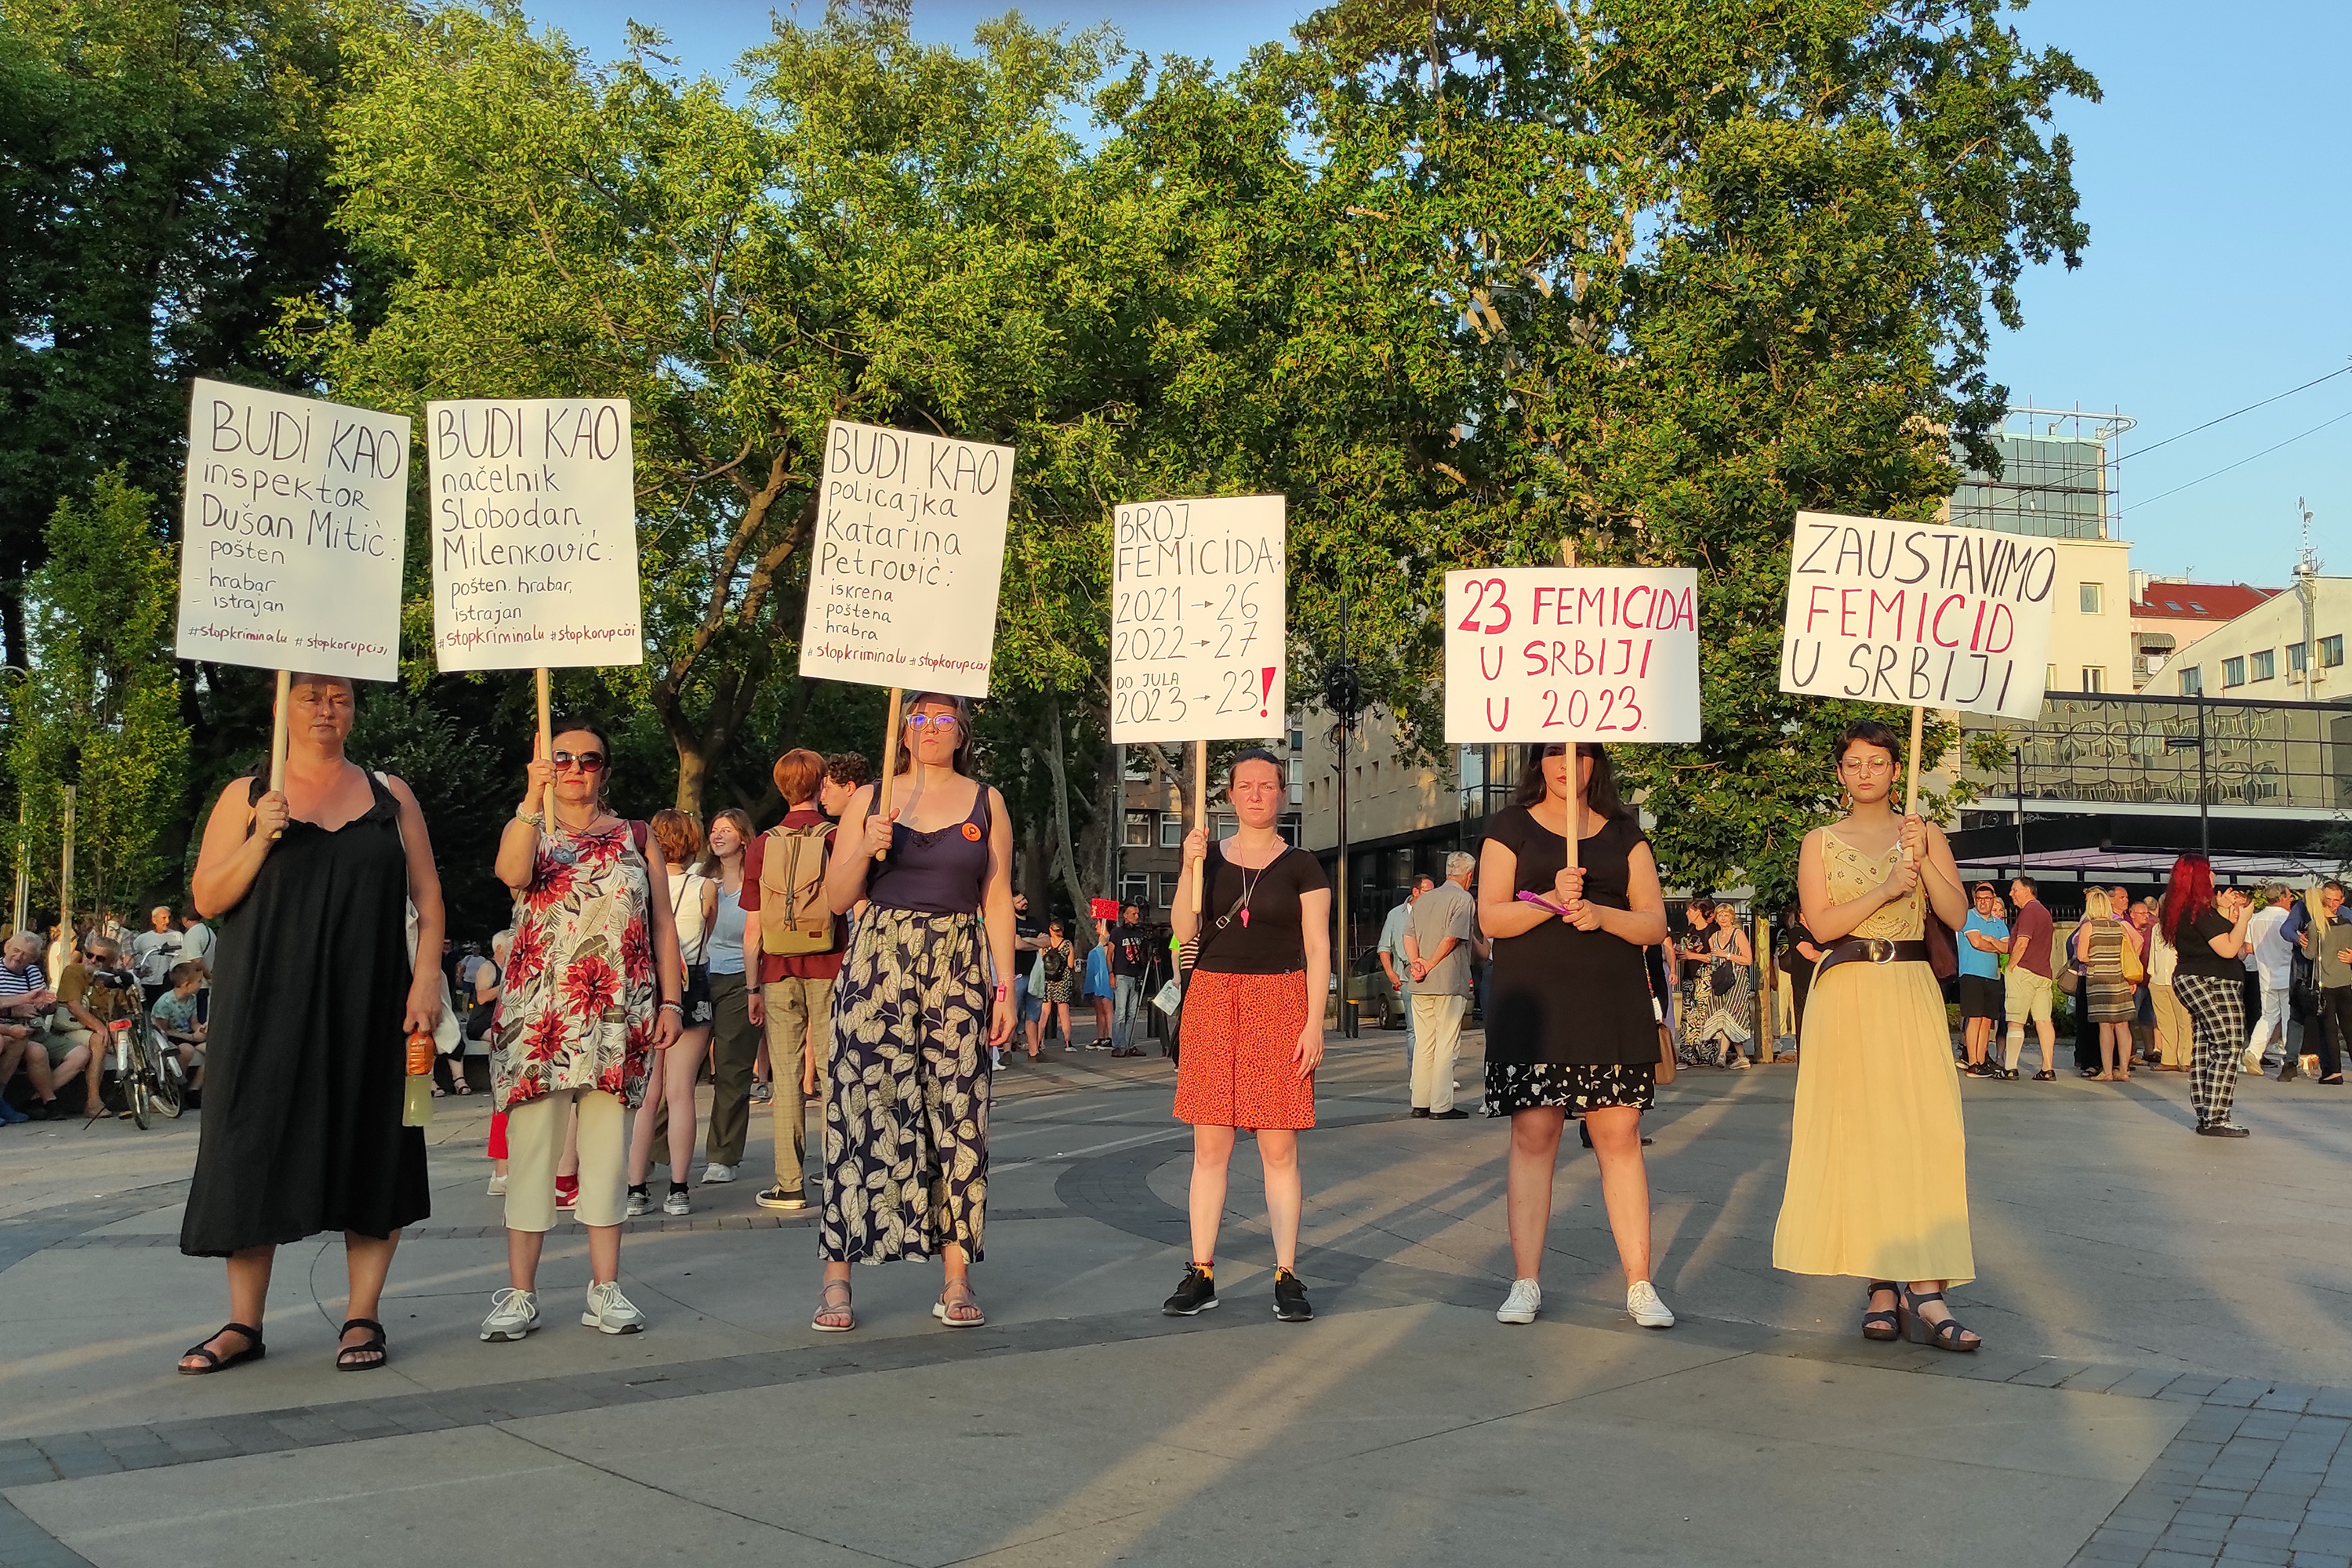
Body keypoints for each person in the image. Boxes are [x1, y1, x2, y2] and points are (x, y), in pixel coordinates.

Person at [176, 673, 445, 1374]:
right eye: (310, 696)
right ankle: (244, 1324)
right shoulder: (246, 795)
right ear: (281, 707)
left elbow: (429, 894)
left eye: (340, 698)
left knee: (374, 1140)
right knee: (249, 1143)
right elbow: (208, 897)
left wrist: (424, 982)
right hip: (264, 1000)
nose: (327, 709)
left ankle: (362, 1317)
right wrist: (261, 837)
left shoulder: (391, 794)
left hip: (370, 997)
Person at [1773, 720, 1980, 1353]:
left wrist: (1923, 859)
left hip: (1911, 986)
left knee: (1925, 1130)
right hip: (1847, 989)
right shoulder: (1819, 842)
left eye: (1878, 762)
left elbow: (1956, 914)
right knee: (1859, 1134)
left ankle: (1929, 1285)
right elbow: (1823, 920)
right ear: (1840, 775)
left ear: (1896, 770)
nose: (1866, 773)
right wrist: (1885, 886)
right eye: (1854, 764)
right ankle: (1881, 1285)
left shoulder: (1924, 834)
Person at [812, 692, 1015, 1332]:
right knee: (859, 1111)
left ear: (961, 733)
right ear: (903, 732)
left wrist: (1002, 984)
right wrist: (862, 848)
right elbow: (834, 901)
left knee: (958, 1116)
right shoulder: (872, 799)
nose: (930, 729)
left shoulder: (988, 800)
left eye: (944, 720)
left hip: (957, 965)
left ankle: (956, 1277)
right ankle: (838, 1279)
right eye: (919, 719)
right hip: (878, 965)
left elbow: (998, 896)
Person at [480, 721, 683, 1343]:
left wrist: (672, 1001)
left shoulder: (635, 836)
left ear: (605, 771)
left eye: (587, 760)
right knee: (533, 1153)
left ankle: (605, 1288)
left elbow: (663, 924)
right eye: (561, 758)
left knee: (604, 1152)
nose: (574, 769)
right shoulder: (532, 830)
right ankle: (520, 1294)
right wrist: (527, 801)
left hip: (616, 1013)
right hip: (540, 1015)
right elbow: (511, 875)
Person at [1477, 742, 1675, 1330]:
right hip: (1533, 1004)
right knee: (1535, 1132)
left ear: (1598, 765)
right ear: (1538, 762)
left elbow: (1654, 922)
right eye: (1555, 753)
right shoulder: (1508, 828)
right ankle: (1525, 1281)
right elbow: (1491, 917)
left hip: (1608, 1000)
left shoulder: (1624, 833)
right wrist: (1549, 901)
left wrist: (1602, 914)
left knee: (1619, 1131)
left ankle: (1640, 1283)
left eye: (1581, 754)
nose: (1568, 764)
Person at [1162, 750, 1331, 1323]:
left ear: (1283, 794)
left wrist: (1314, 1021)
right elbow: (1183, 932)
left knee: (1278, 1146)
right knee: (1210, 1146)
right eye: (1245, 785)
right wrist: (1188, 867)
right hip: (1212, 996)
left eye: (1268, 785)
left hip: (1280, 999)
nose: (1256, 794)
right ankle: (1201, 1270)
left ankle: (1286, 1271)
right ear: (1229, 795)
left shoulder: (1304, 864)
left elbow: (1317, 947)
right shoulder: (1204, 857)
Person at [745, 750, 848, 1211]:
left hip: (777, 965)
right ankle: (840, 1173)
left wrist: (752, 987)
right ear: (822, 783)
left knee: (785, 1075)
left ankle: (789, 1183)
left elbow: (753, 927)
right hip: (831, 962)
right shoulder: (837, 838)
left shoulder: (762, 844)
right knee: (833, 1072)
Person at [626, 810, 717, 1217]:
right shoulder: (705, 888)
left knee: (649, 1095)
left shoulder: (643, 885)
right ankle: (679, 1187)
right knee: (681, 1093)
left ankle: (636, 1187)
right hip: (692, 983)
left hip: (651, 984)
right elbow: (706, 937)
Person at [2161, 857, 2256, 1138]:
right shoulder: (2198, 911)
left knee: (2206, 1044)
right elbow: (2229, 950)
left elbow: (2229, 946)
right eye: (2210, 872)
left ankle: (2206, 1113)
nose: (2215, 877)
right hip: (2213, 981)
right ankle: (2217, 1115)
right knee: (2230, 1044)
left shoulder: (2185, 910)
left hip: (2194, 978)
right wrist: (2245, 919)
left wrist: (2228, 915)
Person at [696, 808, 757, 1185]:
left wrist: (755, 988)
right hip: (700, 977)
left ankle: (723, 1156)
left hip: (740, 978)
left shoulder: (758, 881)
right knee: (674, 1074)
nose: (717, 836)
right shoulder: (699, 880)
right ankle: (657, 1152)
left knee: (732, 1071)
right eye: (714, 830)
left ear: (744, 838)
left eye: (726, 830)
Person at [1404, 855, 1476, 1118]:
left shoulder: (1424, 899)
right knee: (1447, 1044)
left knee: (1424, 1044)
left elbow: (1407, 934)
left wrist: (1416, 965)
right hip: (1448, 981)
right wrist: (1432, 963)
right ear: (1469, 875)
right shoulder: (1464, 899)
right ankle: (1441, 1104)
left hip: (1420, 983)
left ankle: (1420, 1102)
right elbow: (1454, 937)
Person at [0, 931, 72, 1118]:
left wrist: (46, 1005)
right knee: (13, 1040)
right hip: (6, 1026)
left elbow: (40, 1004)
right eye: (16, 950)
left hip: (27, 1027)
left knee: (33, 1047)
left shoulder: (31, 972)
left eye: (26, 955)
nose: (19, 957)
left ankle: (45, 1101)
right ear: (6, 947)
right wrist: (18, 1005)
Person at [2000, 877, 2059, 1080]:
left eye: (2015, 889)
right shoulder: (2044, 912)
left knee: (2015, 1021)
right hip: (2043, 974)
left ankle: (2010, 1067)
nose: (2011, 894)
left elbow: (2023, 943)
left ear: (2027, 890)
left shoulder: (2028, 912)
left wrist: (2010, 966)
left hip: (2024, 972)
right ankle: (2048, 1067)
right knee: (2043, 1020)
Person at [2077, 888, 2134, 1082]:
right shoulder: (2119, 926)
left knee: (2105, 1027)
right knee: (2122, 1025)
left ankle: (2108, 1071)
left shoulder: (2089, 926)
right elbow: (2131, 948)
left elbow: (2082, 955)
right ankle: (2124, 1070)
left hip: (2099, 981)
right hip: (2119, 979)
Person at [1377, 877, 1432, 1073]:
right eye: (1428, 891)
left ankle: (1436, 1074)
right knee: (1413, 1027)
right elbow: (1384, 947)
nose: (1432, 895)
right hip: (1407, 976)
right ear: (1416, 892)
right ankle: (1416, 1072)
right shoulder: (1396, 915)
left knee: (1434, 1028)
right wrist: (1390, 972)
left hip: (1432, 974)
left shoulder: (1434, 912)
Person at [2299, 880, 2351, 1087]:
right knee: (2349, 1027)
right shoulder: (2347, 925)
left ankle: (2333, 1072)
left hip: (2325, 984)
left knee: (2329, 1029)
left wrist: (2302, 944)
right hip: (2346, 982)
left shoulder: (2315, 927)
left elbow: (2310, 954)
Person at [1693, 902, 1755, 1069]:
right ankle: (1742, 1057)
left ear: (1731, 917)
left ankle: (1721, 1055)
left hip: (1737, 980)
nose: (1723, 918)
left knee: (1731, 1015)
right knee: (1723, 1016)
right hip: (1720, 981)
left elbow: (1748, 959)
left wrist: (1726, 954)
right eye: (1720, 915)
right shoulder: (1713, 938)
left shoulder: (1738, 934)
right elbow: (1713, 960)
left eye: (1726, 915)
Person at [1956, 884, 2009, 1078]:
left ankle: (1981, 1059)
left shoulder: (1998, 923)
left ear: (1993, 899)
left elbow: (2006, 947)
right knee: (1975, 1018)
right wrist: (1995, 944)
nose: (1983, 902)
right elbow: (1976, 942)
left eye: (1987, 898)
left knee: (1987, 1020)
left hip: (1992, 975)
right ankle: (1972, 1062)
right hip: (1972, 973)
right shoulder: (1969, 917)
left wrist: (1992, 941)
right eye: (1979, 898)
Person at [2243, 885, 2295, 1076]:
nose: (2291, 900)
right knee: (2290, 1017)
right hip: (2287, 971)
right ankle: (2290, 1059)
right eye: (2289, 896)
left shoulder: (2255, 919)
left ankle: (2253, 1052)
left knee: (2267, 1016)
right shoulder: (2287, 919)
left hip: (2265, 973)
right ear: (2281, 898)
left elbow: (2249, 948)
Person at [1103, 903, 1156, 1052]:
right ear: (1125, 916)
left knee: (1132, 1012)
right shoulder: (1117, 933)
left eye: (1137, 914)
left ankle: (1129, 1042)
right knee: (1120, 1011)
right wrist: (1111, 973)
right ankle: (1118, 1044)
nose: (1136, 916)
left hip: (1136, 975)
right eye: (1133, 914)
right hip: (1121, 974)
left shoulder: (1139, 933)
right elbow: (1109, 954)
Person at [150, 960, 208, 1092]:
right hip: (170, 1038)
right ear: (186, 984)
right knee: (187, 1050)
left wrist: (201, 1029)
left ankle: (193, 1089)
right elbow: (162, 1030)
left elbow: (194, 1023)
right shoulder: (165, 1002)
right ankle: (175, 1087)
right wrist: (192, 1037)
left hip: (186, 1035)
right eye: (199, 982)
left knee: (214, 1049)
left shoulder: (192, 999)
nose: (201, 985)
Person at [1036, 917, 1078, 1052]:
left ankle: (1038, 1041)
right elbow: (1071, 964)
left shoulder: (1045, 944)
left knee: (1044, 1012)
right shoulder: (1067, 944)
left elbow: (1040, 961)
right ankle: (1068, 1043)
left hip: (1047, 980)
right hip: (1063, 980)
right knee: (1064, 1012)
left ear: (1050, 929)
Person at [129, 906, 182, 1010]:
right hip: (148, 984)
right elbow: (133, 958)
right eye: (163, 918)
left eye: (169, 918)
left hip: (168, 984)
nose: (167, 921)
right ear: (154, 920)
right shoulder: (143, 939)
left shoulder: (178, 936)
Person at [1084, 935, 1112, 1047]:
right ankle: (1101, 1036)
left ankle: (1111, 1037)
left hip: (1107, 978)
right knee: (1099, 1008)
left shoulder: (1110, 943)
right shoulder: (1096, 949)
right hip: (1097, 980)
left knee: (1108, 1007)